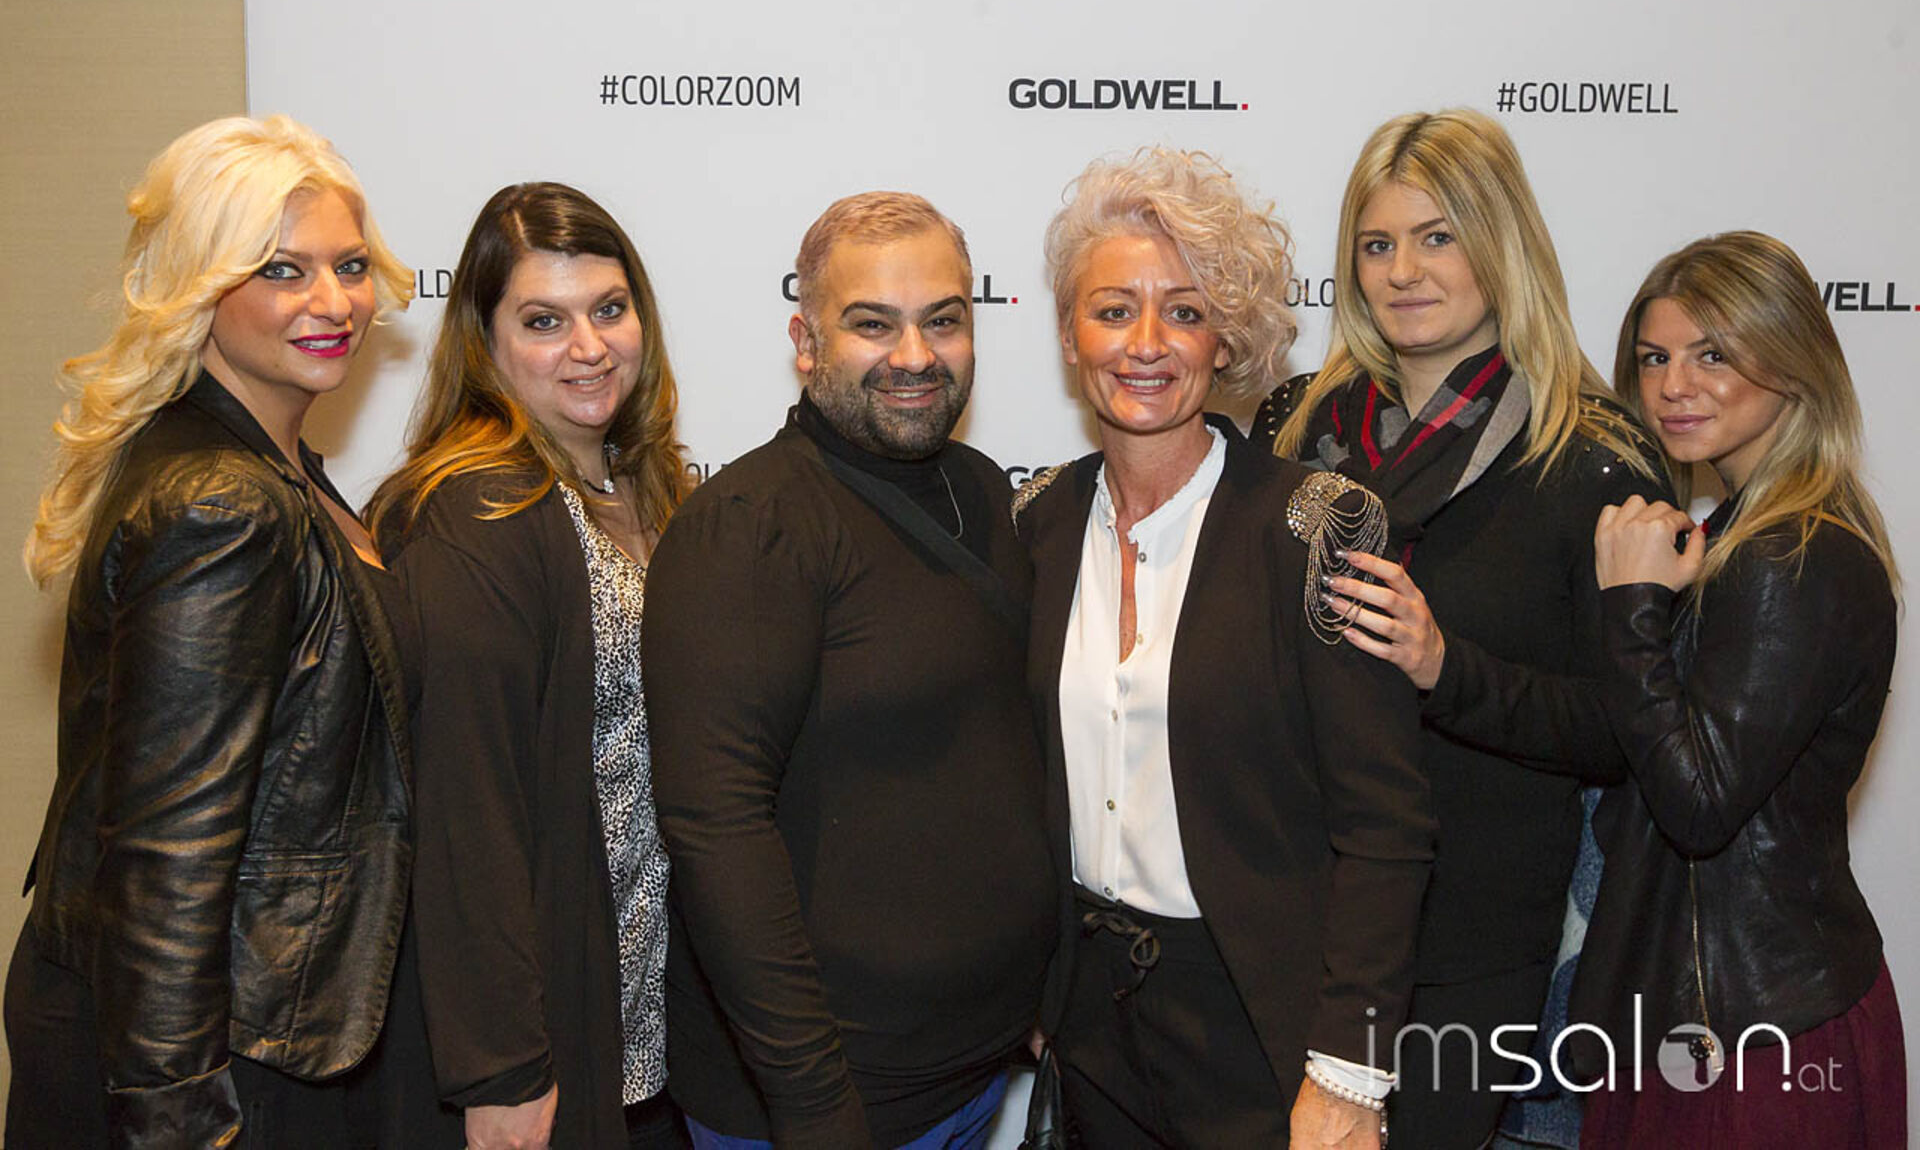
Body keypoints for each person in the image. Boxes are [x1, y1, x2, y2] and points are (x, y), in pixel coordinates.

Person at [1255, 108, 1667, 1148]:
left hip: (1470, 943)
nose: (1404, 271)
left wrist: (1447, 668)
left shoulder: (1595, 458)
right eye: (1377, 243)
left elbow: (1626, 732)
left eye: (1437, 237)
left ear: (1500, 241)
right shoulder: (1297, 426)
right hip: (1287, 915)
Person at [5, 115, 419, 1147]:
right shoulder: (221, 502)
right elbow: (167, 854)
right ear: (201, 287)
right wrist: (181, 1118)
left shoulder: (275, 465)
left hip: (257, 1020)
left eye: (349, 266)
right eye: (281, 270)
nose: (334, 302)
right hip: (217, 1057)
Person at [1019, 148, 1434, 1149]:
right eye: (1113, 309)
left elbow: (1386, 826)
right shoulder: (1036, 524)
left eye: (1185, 311)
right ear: (1071, 334)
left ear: (1227, 338)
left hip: (1263, 1020)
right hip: (1086, 1024)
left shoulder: (1315, 526)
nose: (1146, 343)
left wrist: (1349, 1071)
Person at [641, 192, 1056, 1150]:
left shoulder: (983, 490)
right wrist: (815, 1106)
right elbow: (716, 827)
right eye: (873, 324)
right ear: (805, 341)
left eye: (942, 321)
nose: (915, 356)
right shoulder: (750, 527)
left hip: (974, 1071)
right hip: (832, 1106)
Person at [367, 182, 694, 1149]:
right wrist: (502, 1067)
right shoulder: (481, 510)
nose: (589, 348)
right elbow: (467, 806)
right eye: (544, 321)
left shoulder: (644, 484)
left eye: (609, 309)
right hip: (541, 1035)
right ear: (485, 340)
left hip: (640, 1023)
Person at [1563, 231, 1904, 1145]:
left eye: (1712, 355)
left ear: (1791, 362)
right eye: (1654, 358)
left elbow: (1699, 804)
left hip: (1749, 1033)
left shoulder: (1792, 554)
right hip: (1723, 1005)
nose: (1674, 385)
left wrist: (1631, 607)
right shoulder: (1740, 537)